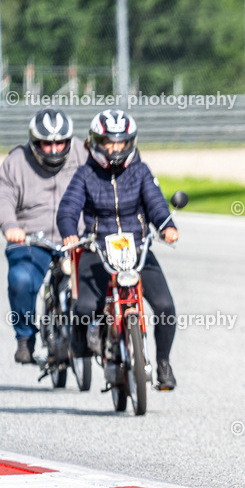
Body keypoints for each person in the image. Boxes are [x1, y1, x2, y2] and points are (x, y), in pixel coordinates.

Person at [57, 109, 179, 390]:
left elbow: (157, 204)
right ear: (96, 142)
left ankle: (162, 363)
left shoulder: (141, 171)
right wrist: (68, 233)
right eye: (109, 142)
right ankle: (80, 342)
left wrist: (166, 226)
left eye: (121, 142)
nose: (115, 148)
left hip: (136, 248)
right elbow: (68, 209)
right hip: (96, 249)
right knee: (86, 308)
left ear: (130, 142)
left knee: (165, 306)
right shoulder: (85, 174)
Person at [0, 108, 88, 364]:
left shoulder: (83, 153)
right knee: (21, 279)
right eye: (47, 143)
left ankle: (103, 336)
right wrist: (10, 226)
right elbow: (1, 198)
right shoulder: (17, 161)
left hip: (76, 237)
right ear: (34, 142)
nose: (55, 149)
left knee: (105, 278)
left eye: (60, 143)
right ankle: (25, 337)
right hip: (32, 239)